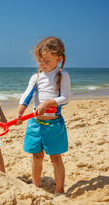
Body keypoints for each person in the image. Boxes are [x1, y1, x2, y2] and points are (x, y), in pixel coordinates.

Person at [15, 37, 71, 193]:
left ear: (58, 59)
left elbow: (65, 98)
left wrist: (46, 104)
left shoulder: (62, 75)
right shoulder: (36, 77)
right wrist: (20, 112)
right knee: (37, 157)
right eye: (39, 61)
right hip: (35, 125)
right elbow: (27, 95)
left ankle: (60, 190)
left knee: (56, 158)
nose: (41, 65)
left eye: (46, 61)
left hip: (54, 125)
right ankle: (35, 187)